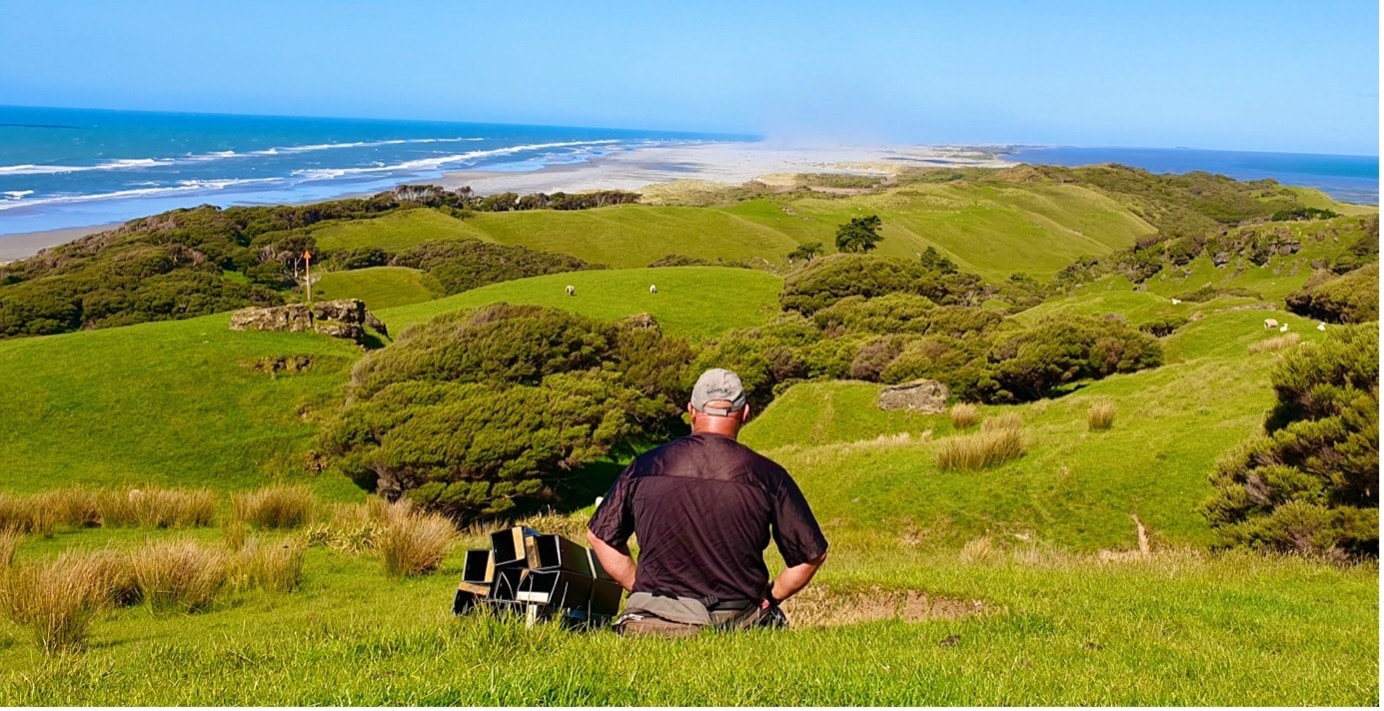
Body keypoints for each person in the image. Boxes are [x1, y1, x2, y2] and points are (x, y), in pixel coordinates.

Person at [586, 367, 829, 637]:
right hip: (735, 620)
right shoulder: (769, 476)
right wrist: (771, 598)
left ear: (692, 410)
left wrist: (638, 585)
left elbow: (600, 536)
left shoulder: (644, 466)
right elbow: (812, 554)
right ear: (746, 414)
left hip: (649, 618)